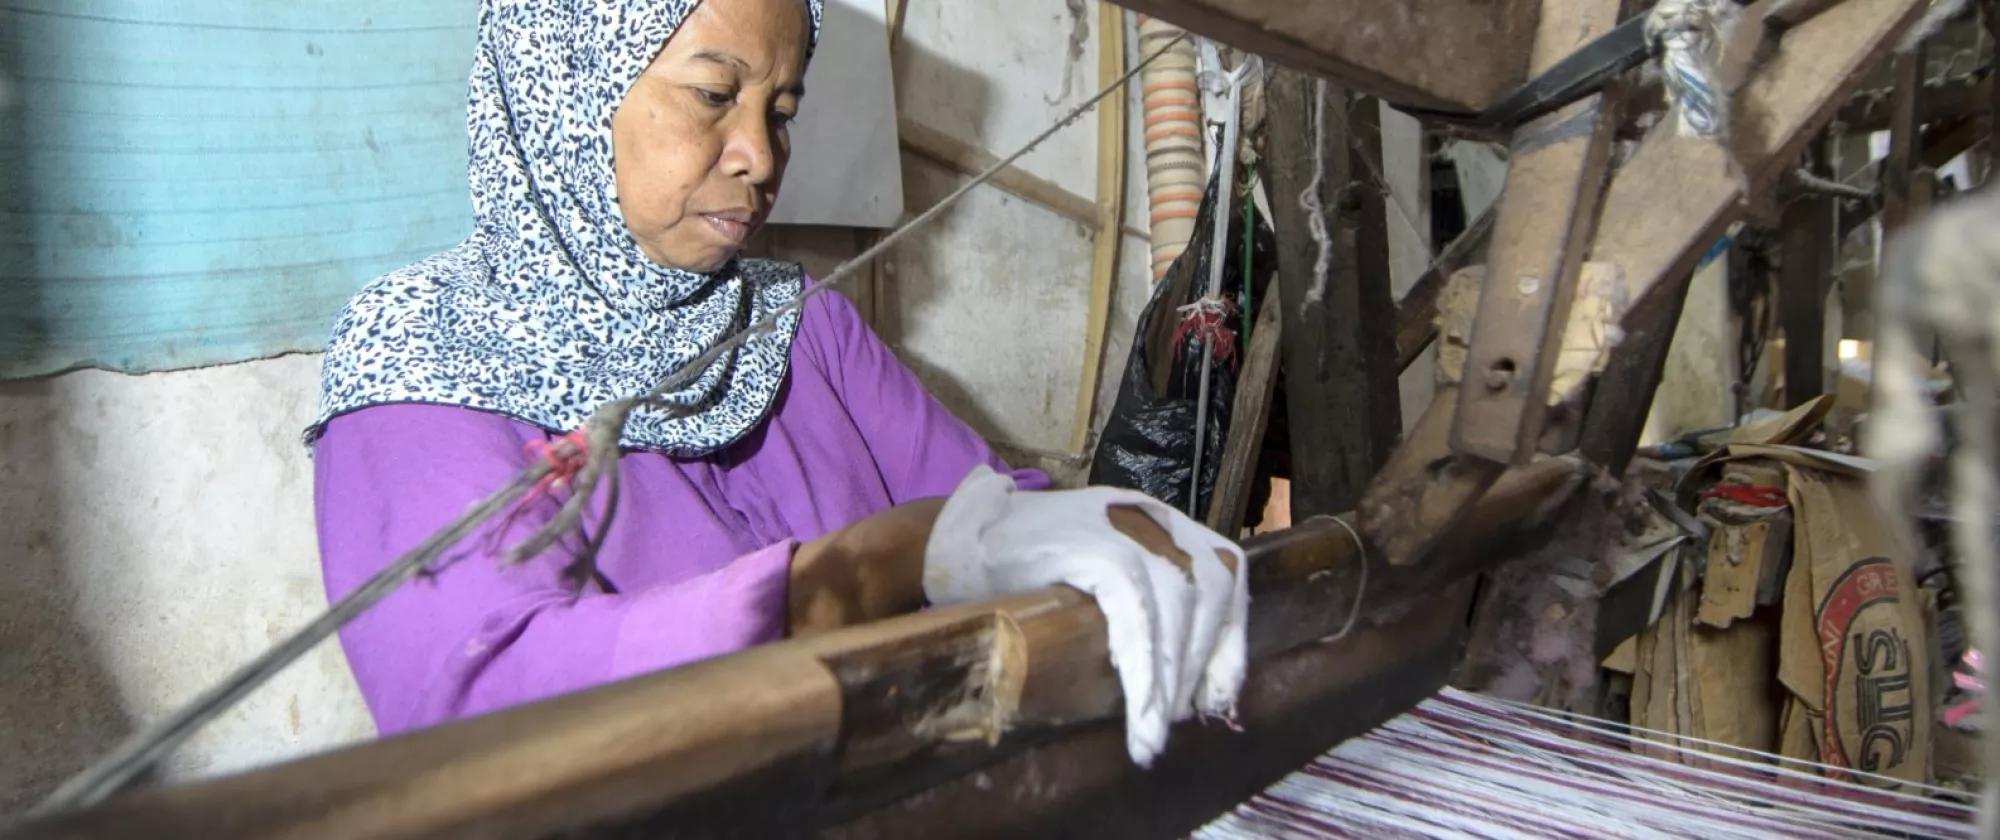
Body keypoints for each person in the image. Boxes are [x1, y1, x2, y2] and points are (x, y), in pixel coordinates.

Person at [310, 0, 1244, 767]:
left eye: (782, 109)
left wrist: (1086, 539)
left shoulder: (802, 327)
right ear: (563, 88)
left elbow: (1002, 516)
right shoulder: (423, 363)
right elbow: (483, 708)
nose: (760, 156)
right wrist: (875, 562)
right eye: (715, 93)